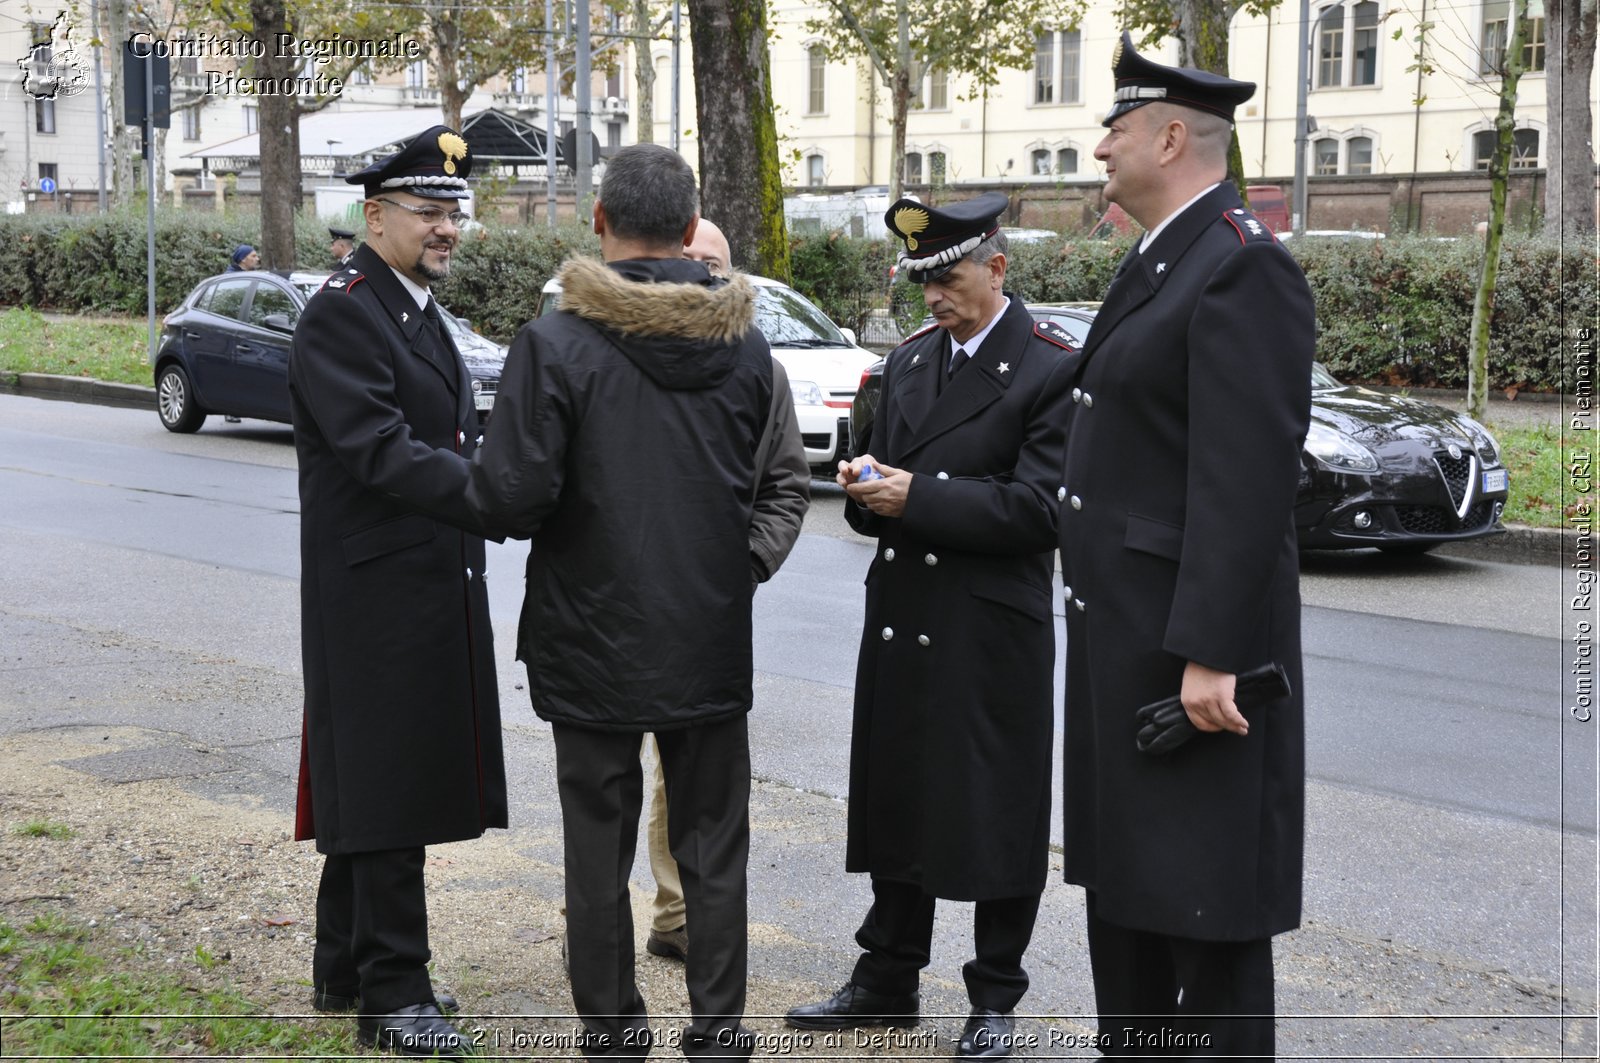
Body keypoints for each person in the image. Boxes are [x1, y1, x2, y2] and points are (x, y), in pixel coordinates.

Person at [466, 143, 795, 1062]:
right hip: (707, 637)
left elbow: (510, 498)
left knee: (594, 850)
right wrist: (737, 574)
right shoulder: (748, 347)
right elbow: (780, 486)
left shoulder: (556, 344)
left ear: (600, 222)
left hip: (589, 638)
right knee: (714, 849)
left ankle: (612, 1032)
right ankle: (720, 1032)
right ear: (694, 232)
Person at [1057, 33, 1315, 1058]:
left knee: (1204, 921)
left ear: (1170, 135)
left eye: (1111, 129)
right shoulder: (1166, 257)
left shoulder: (1243, 269)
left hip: (1192, 669)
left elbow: (1244, 480)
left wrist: (1212, 649)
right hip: (1128, 647)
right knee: (1128, 905)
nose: (1098, 151)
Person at [785, 192, 1077, 1061]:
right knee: (900, 792)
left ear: (997, 266)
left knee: (996, 808)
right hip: (907, 614)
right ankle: (886, 977)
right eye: (923, 286)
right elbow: (888, 487)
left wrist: (921, 496)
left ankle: (994, 995)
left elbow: (1045, 509)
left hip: (990, 628)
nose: (935, 300)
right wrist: (869, 487)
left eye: (948, 280)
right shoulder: (912, 362)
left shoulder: (1050, 366)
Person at [288, 125, 505, 1060]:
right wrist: (495, 494)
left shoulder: (408, 305)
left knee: (388, 773)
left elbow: (440, 437)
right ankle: (394, 990)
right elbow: (378, 448)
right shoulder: (345, 310)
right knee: (386, 785)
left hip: (423, 578)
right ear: (374, 217)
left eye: (456, 210)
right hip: (373, 590)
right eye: (429, 211)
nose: (447, 227)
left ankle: (344, 965)